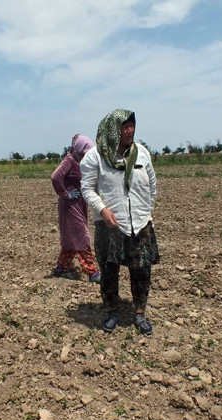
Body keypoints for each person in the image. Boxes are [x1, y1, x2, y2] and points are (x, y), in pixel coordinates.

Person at [81, 109, 159, 336]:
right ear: (112, 130)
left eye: (132, 125)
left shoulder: (141, 153)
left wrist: (144, 210)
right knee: (109, 270)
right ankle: (111, 311)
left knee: (142, 270)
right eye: (125, 126)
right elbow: (87, 188)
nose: (130, 130)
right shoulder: (95, 157)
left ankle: (140, 313)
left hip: (141, 223)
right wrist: (103, 210)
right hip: (109, 225)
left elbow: (152, 184)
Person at [51, 134, 100, 282]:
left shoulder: (78, 161)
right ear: (79, 149)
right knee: (82, 236)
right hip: (70, 206)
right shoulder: (69, 160)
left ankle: (61, 268)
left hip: (77, 204)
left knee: (71, 239)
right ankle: (92, 272)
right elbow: (55, 177)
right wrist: (65, 194)